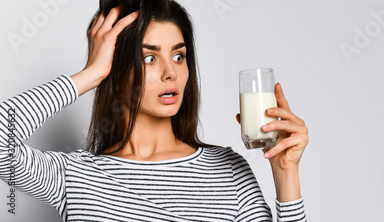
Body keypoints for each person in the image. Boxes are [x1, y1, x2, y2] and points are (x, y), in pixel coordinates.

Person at [0, 0, 308, 221]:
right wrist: (90, 74)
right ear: (116, 69)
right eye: (149, 58)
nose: (169, 72)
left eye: (178, 56)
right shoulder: (76, 177)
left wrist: (285, 175)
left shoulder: (228, 171)